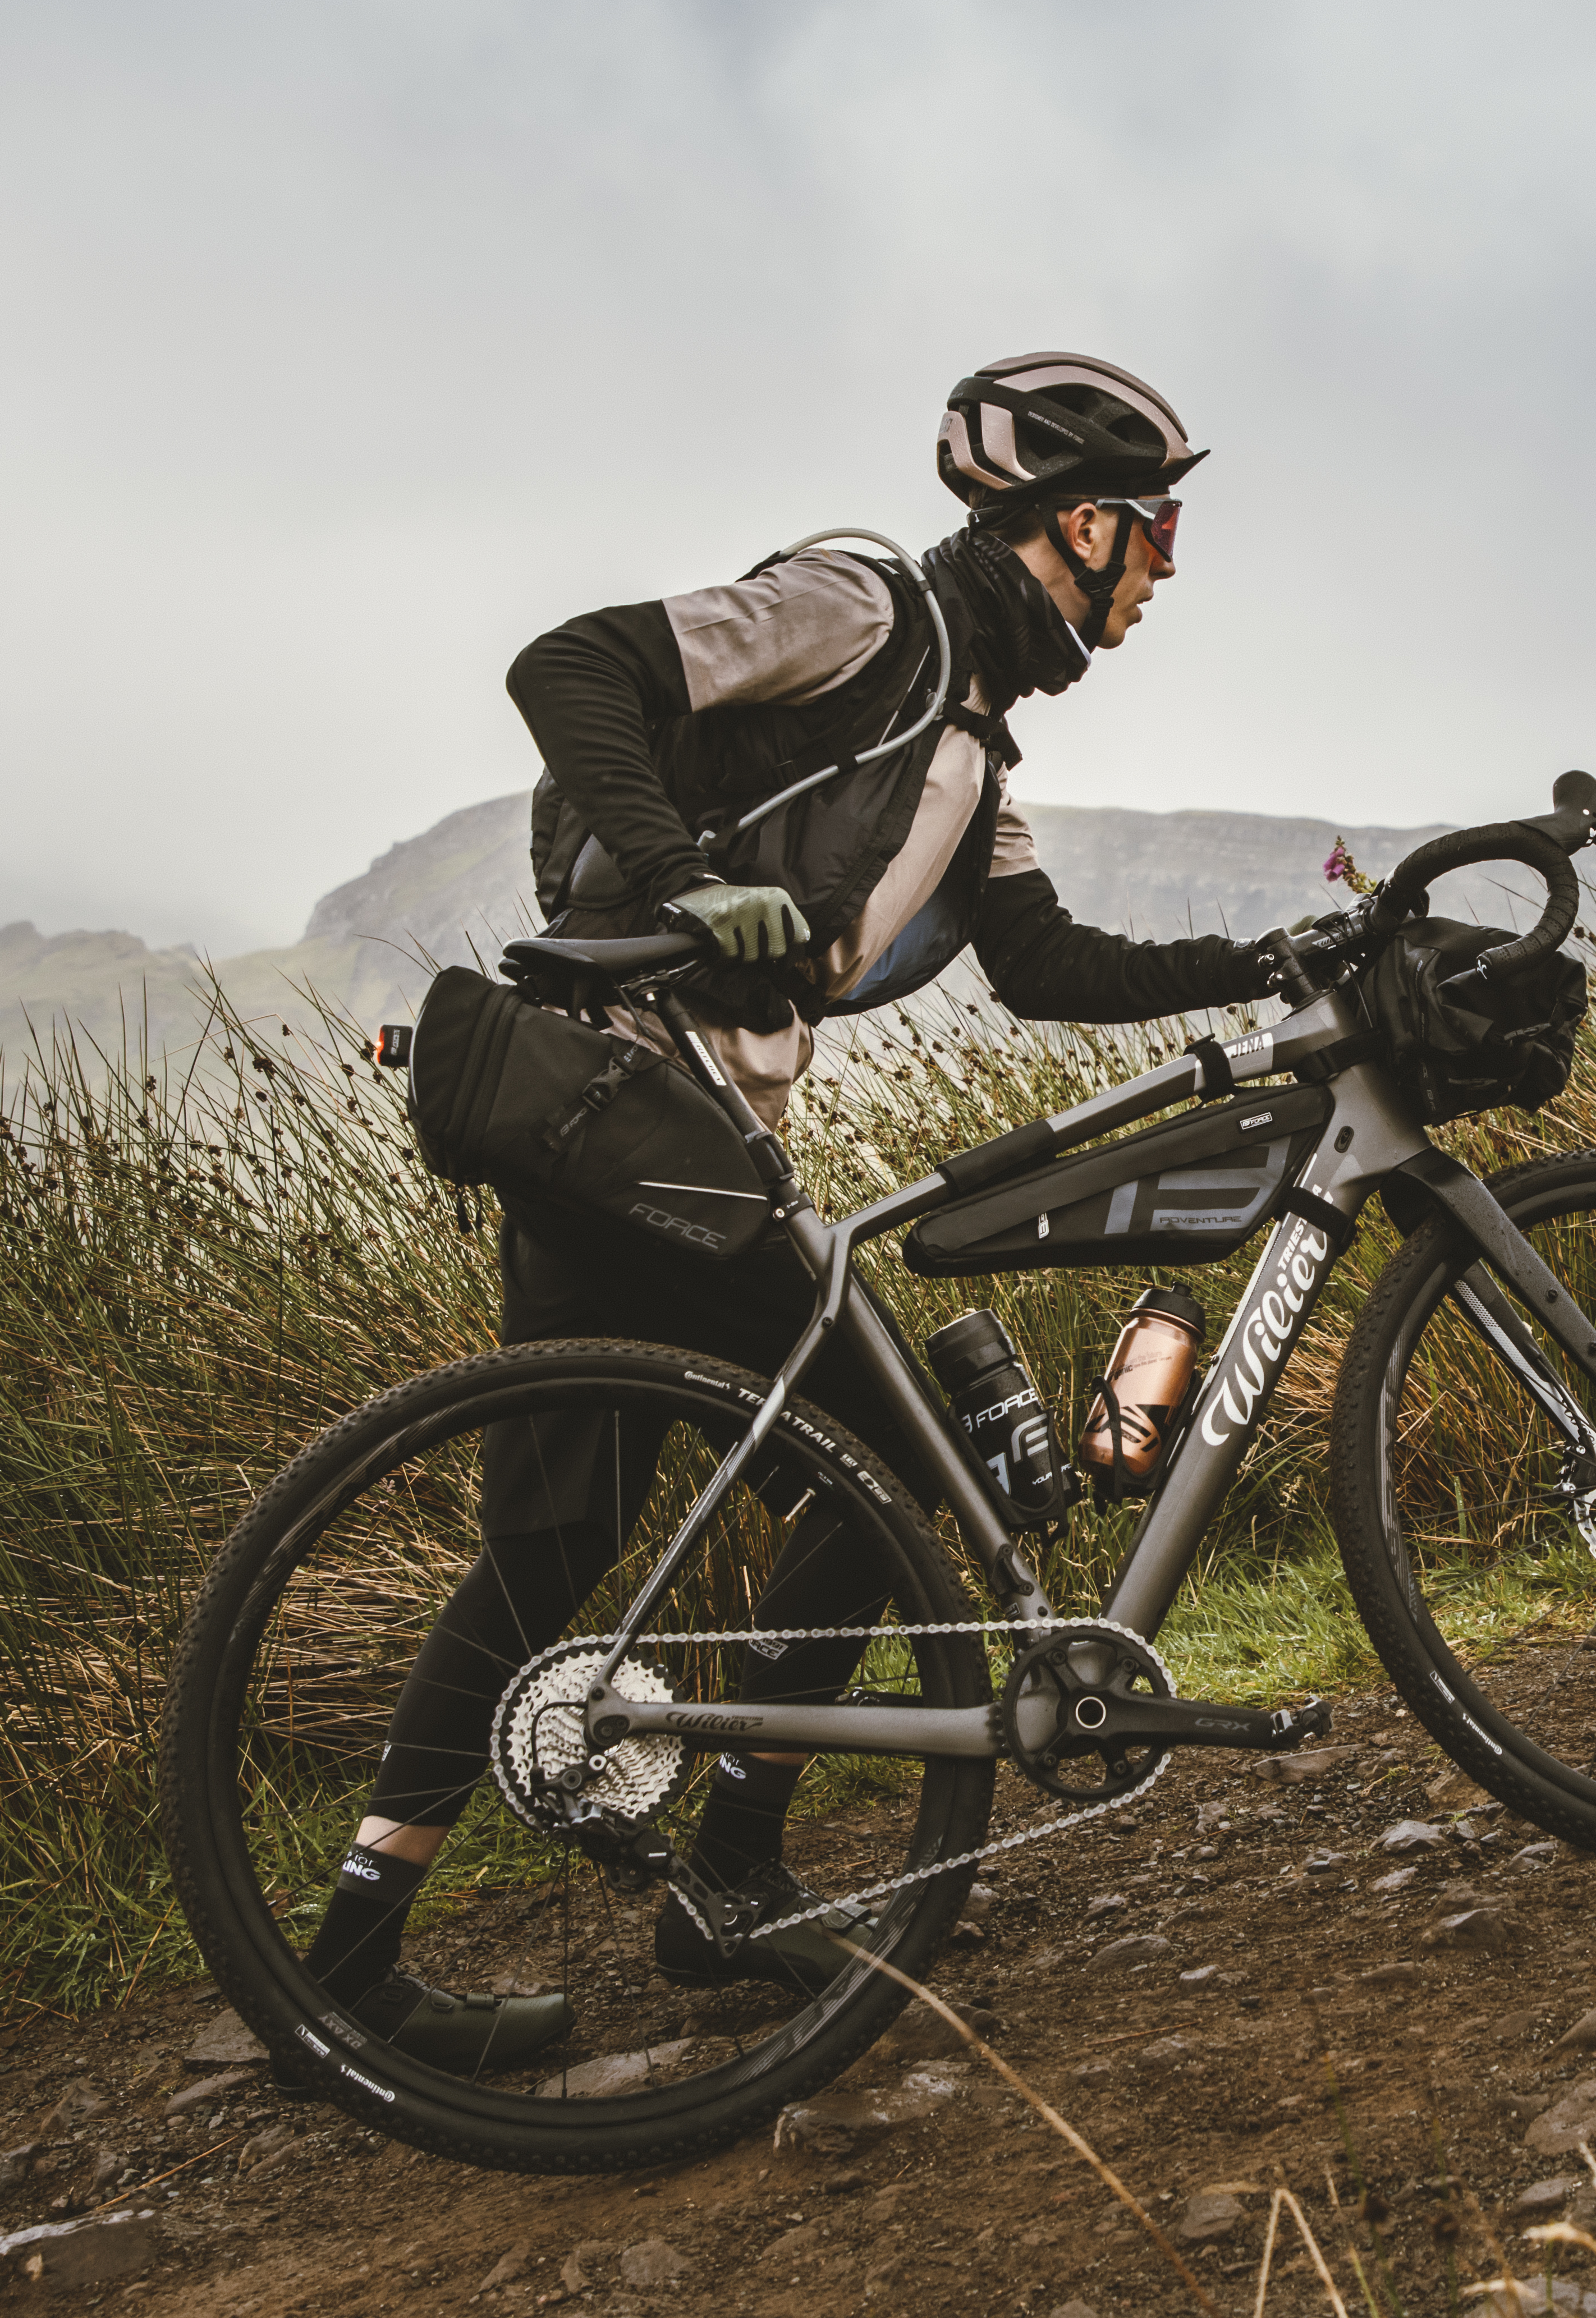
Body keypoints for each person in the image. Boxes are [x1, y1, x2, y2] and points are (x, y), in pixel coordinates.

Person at [294, 354, 1278, 2073]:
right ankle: (733, 1863)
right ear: (1082, 523)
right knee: (899, 1464)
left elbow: (1050, 970)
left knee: (551, 1549)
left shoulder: (971, 748)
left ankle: (353, 1967)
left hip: (651, 1138)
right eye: (1161, 529)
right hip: (629, 1108)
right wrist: (685, 880)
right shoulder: (861, 612)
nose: (1170, 569)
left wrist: (1272, 962)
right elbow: (571, 666)